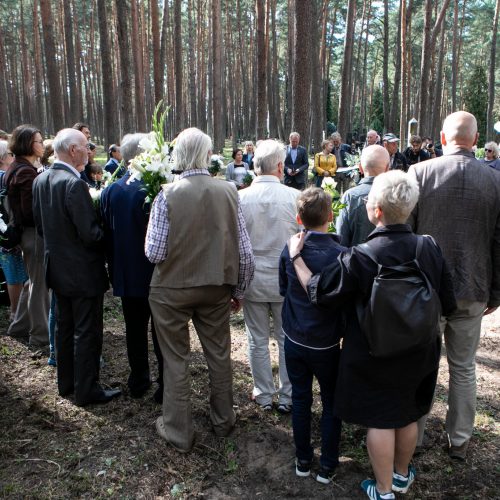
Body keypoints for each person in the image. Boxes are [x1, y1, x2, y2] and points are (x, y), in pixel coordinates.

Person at [289, 170, 456, 500]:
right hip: (420, 348)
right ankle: (401, 476)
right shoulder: (429, 247)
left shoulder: (359, 256)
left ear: (376, 210)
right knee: (408, 412)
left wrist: (296, 257)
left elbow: (319, 292)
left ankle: (382, 491)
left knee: (380, 420)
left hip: (372, 350)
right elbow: (447, 301)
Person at [145, 127, 255, 453]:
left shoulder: (167, 194)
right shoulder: (230, 191)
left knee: (176, 359)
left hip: (170, 290)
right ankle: (223, 420)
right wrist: (239, 291)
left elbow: (154, 252)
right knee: (219, 355)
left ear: (178, 155)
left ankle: (179, 432)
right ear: (208, 155)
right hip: (216, 287)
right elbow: (245, 254)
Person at [408, 111, 500, 460]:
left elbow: (407, 235)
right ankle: (459, 440)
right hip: (473, 287)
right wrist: (495, 292)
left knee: (423, 364)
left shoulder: (420, 173)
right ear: (476, 141)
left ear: (443, 139)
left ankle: (414, 438)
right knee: (463, 367)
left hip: (426, 289)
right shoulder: (495, 181)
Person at [32, 128, 120, 406]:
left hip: (56, 268)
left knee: (64, 327)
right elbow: (90, 234)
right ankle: (87, 390)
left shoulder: (41, 180)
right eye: (85, 146)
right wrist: (110, 233)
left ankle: (66, 383)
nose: (89, 151)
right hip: (82, 272)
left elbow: (40, 226)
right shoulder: (73, 185)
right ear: (72, 150)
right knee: (87, 331)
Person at [279, 187, 344, 484]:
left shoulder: (290, 250)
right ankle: (327, 463)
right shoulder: (342, 256)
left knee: (301, 399)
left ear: (298, 218)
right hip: (327, 343)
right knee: (331, 401)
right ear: (330, 217)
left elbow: (284, 289)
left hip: (296, 338)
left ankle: (303, 458)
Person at [101, 133, 164, 403]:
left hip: (126, 272)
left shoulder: (111, 190)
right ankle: (164, 384)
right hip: (156, 273)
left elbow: (105, 232)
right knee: (161, 332)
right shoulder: (156, 188)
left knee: (134, 330)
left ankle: (138, 379)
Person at [238, 139, 300, 414]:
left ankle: (264, 393)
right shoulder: (294, 197)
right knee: (286, 339)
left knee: (257, 339)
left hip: (252, 278)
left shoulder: (241, 198)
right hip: (285, 278)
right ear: (279, 166)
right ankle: (286, 395)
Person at [4, 125, 50, 346]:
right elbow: (30, 212)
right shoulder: (24, 171)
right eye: (38, 141)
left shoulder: (19, 167)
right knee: (39, 286)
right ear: (27, 144)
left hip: (26, 234)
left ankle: (19, 326)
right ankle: (40, 335)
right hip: (32, 235)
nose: (42, 145)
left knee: (32, 282)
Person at [336, 145, 389, 247]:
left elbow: (341, 238)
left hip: (357, 260)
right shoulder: (398, 196)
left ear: (360, 168)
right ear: (387, 168)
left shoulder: (350, 197)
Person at [0, 140, 28, 322]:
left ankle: (15, 313)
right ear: (3, 158)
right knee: (15, 275)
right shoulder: (4, 177)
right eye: (11, 155)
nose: (13, 157)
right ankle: (16, 314)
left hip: (3, 233)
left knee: (12, 274)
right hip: (8, 233)